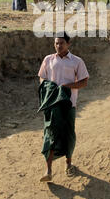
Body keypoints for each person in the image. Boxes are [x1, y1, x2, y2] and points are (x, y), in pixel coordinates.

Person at [38, 33, 89, 182]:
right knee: (50, 134)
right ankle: (48, 170)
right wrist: (47, 86)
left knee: (68, 134)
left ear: (68, 44)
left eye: (61, 43)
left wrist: (67, 86)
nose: (58, 46)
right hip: (51, 104)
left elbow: (84, 82)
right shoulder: (48, 59)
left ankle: (68, 163)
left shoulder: (77, 62)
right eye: (56, 43)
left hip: (69, 105)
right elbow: (42, 77)